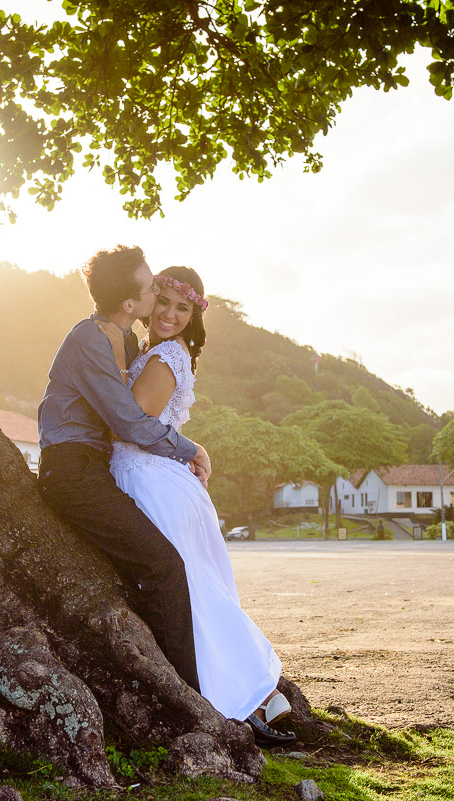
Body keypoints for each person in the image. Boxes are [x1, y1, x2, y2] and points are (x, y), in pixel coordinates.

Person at [109, 265, 296, 748]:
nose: (170, 314)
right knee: (199, 586)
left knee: (190, 592)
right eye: (165, 301)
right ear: (149, 299)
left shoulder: (165, 356)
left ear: (194, 315)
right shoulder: (159, 353)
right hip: (164, 479)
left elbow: (129, 423)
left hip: (148, 479)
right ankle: (261, 695)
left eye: (182, 308)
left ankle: (239, 695)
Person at [37, 245, 210, 694]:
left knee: (160, 565)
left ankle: (188, 684)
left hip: (97, 468)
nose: (160, 293)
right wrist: (189, 448)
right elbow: (129, 421)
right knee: (162, 566)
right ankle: (186, 694)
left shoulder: (127, 341)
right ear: (130, 304)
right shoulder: (89, 339)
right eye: (153, 288)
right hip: (72, 471)